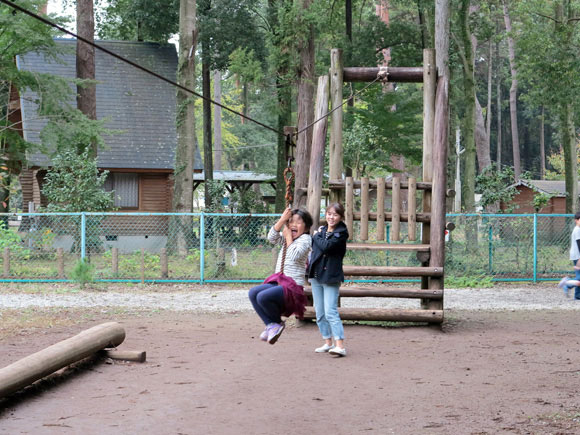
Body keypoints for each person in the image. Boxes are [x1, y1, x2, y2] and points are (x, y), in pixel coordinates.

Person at [248, 207, 312, 344]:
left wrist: (288, 237)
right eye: (291, 222)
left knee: (263, 297)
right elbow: (271, 238)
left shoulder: (305, 239)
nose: (294, 225)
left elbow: (295, 255)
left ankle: (276, 323)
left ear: (306, 227)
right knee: (253, 293)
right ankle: (272, 324)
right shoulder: (286, 237)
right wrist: (282, 220)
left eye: (298, 222)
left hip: (294, 287)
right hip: (281, 282)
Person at [308, 203, 349, 357]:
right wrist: (317, 235)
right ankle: (327, 343)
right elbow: (316, 248)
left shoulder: (341, 233)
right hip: (317, 275)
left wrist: (316, 235)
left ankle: (340, 346)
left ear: (340, 217)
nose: (331, 217)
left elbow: (326, 247)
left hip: (331, 276)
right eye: (329, 214)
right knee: (319, 312)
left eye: (335, 215)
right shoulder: (322, 230)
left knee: (330, 311)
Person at [558, 211, 580, 300]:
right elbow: (579, 245)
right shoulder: (578, 230)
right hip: (577, 256)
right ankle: (567, 283)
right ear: (576, 220)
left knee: (579, 277)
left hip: (577, 255)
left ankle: (577, 295)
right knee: (579, 278)